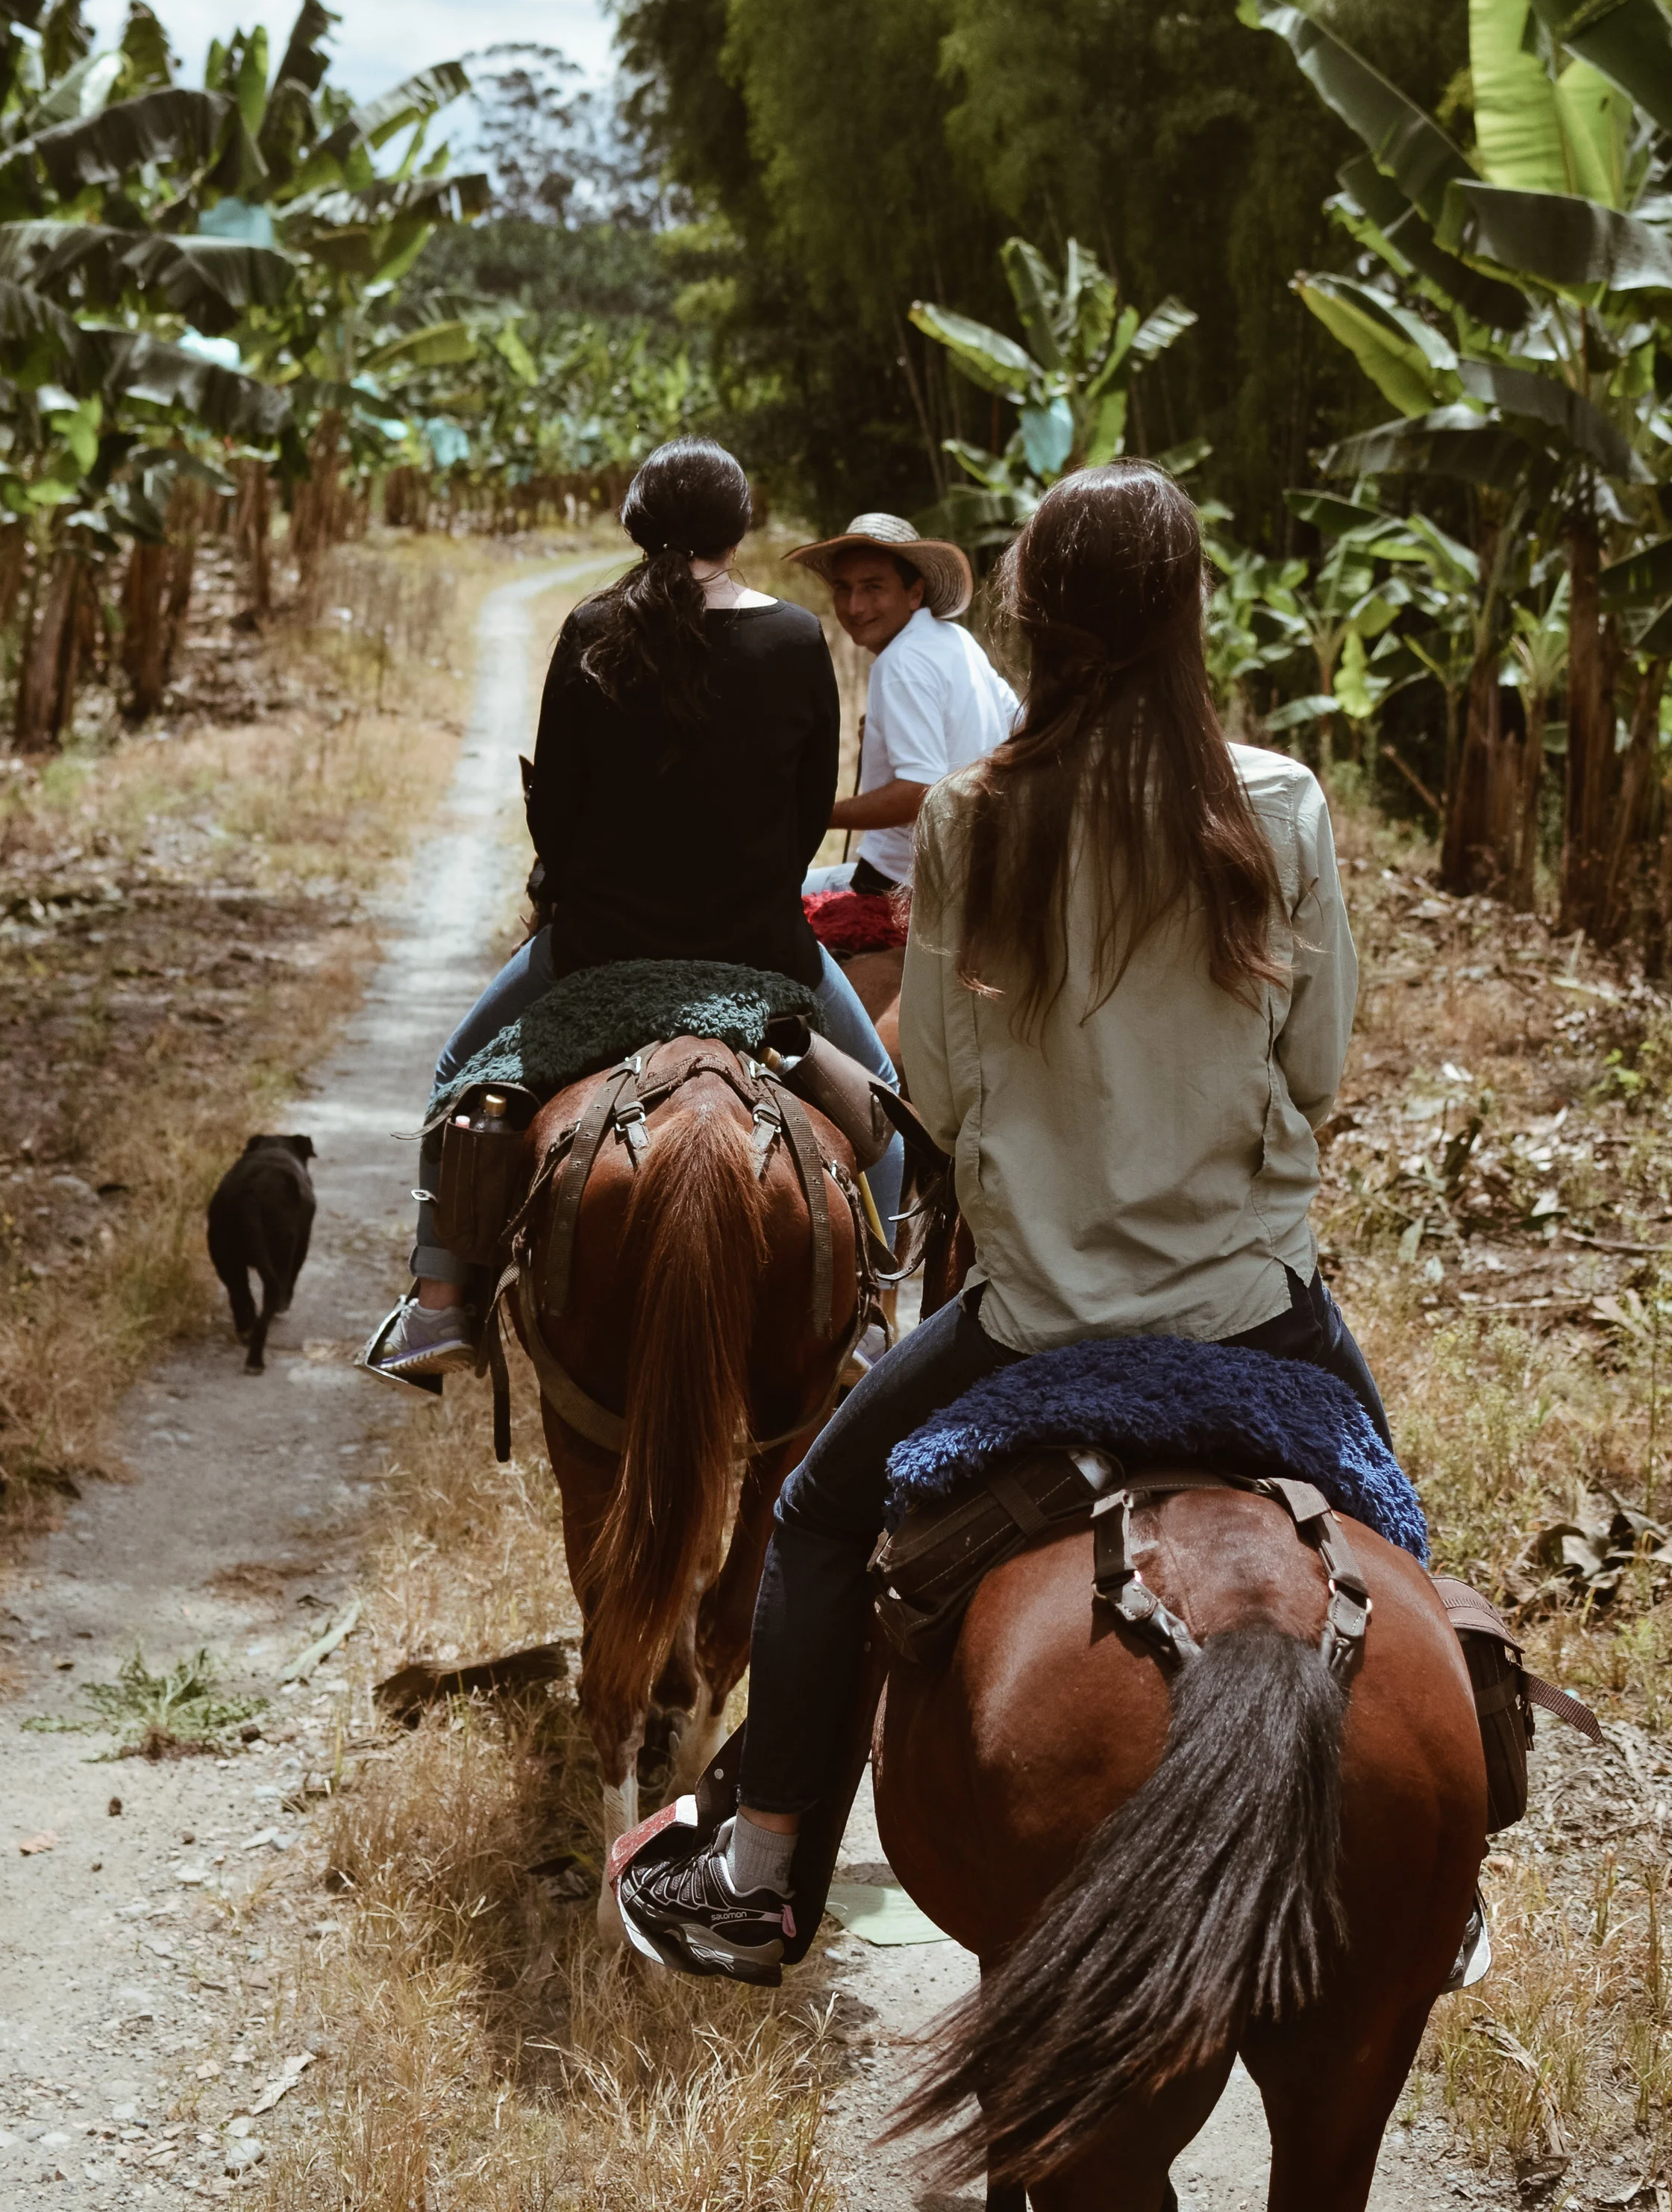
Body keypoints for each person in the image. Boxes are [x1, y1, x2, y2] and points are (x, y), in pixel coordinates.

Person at [615, 458, 1384, 1983]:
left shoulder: (973, 815)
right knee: (1406, 1538)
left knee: (817, 1518)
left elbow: (943, 1105)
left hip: (1031, 1322)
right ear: (1186, 612)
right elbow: (1316, 1068)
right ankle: (1451, 1861)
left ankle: (762, 1863)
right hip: (1248, 1309)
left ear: (1033, 617)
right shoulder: (1279, 802)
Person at [373, 439, 908, 1382]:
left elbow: (556, 816)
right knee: (885, 1119)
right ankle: (874, 1315)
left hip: (596, 950)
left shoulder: (590, 629)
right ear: (738, 531)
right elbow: (804, 816)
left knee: (460, 1072)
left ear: (635, 525)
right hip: (759, 951)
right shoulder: (794, 639)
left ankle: (441, 1303)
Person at [786, 511, 1018, 894]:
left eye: (873, 587)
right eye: (843, 588)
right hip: (968, 871)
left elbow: (919, 790)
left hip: (903, 882)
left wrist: (812, 814)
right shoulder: (957, 640)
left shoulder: (899, 663)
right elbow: (1016, 727)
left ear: (915, 593)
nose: (855, 607)